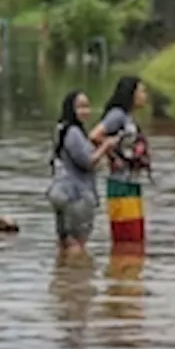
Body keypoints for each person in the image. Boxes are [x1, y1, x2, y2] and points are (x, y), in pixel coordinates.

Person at [47, 90, 118, 253]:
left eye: (87, 106)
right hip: (76, 194)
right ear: (70, 109)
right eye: (80, 107)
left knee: (64, 242)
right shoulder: (73, 132)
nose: (86, 111)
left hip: (59, 191)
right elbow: (87, 162)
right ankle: (78, 275)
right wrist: (106, 146)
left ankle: (62, 274)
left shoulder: (61, 129)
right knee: (77, 243)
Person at [90, 76, 150, 245]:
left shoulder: (129, 117)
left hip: (131, 182)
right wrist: (114, 150)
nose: (144, 95)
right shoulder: (117, 115)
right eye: (142, 91)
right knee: (127, 237)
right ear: (131, 94)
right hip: (120, 183)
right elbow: (95, 135)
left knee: (136, 236)